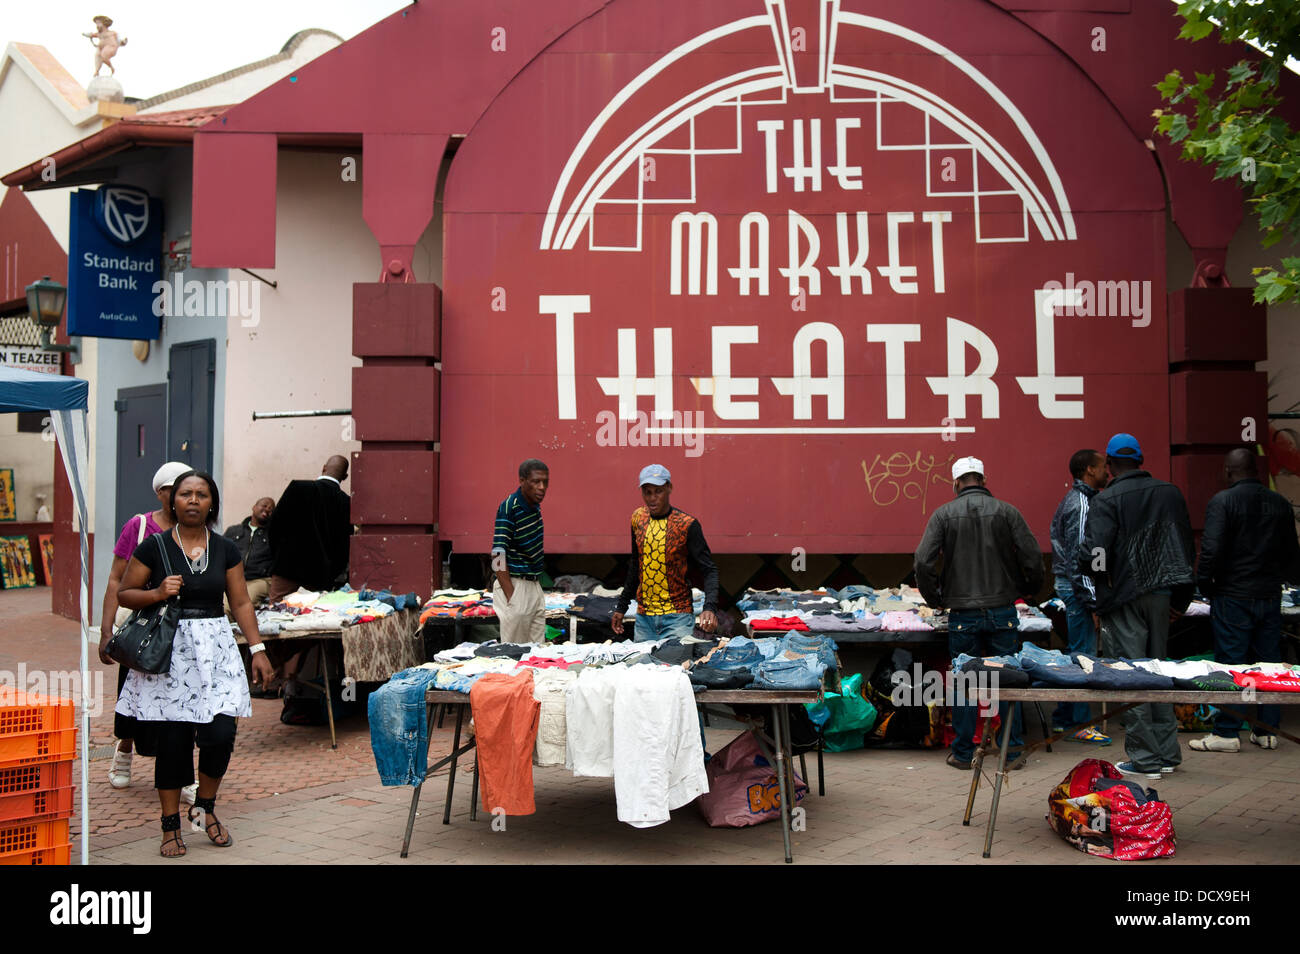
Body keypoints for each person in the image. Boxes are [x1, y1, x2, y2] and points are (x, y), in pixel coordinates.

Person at [116, 470, 274, 858]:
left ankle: (203, 808)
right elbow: (124, 593)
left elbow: (240, 602)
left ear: (212, 504)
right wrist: (156, 592)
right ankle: (170, 826)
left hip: (216, 650)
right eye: (185, 494)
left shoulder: (225, 549)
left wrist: (257, 649)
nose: (192, 500)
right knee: (173, 744)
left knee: (221, 734)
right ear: (172, 501)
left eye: (201, 494)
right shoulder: (153, 547)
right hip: (170, 652)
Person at [914, 456, 1044, 770]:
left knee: (964, 681)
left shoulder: (944, 514)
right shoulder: (1007, 511)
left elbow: (922, 561)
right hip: (1002, 610)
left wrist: (936, 599)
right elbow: (1032, 555)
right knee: (1009, 679)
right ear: (983, 481)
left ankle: (962, 753)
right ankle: (1011, 751)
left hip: (963, 614)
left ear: (956, 483)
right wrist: (1028, 589)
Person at [1079, 433, 1195, 780]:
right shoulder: (1170, 493)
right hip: (1162, 594)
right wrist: (1181, 599)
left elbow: (1094, 553)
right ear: (1140, 459)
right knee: (1159, 673)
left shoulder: (1107, 500)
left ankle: (1145, 760)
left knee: (1130, 675)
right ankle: (1167, 753)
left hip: (1123, 598)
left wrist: (1102, 589)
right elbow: (1186, 547)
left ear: (1111, 465)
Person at [1190, 448, 1300, 753]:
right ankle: (1266, 731)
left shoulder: (1222, 502)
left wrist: (1205, 586)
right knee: (1269, 664)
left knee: (1230, 664)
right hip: (1268, 593)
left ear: (1228, 470)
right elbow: (1292, 551)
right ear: (1255, 470)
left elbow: (1211, 550)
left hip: (1232, 594)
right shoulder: (1278, 503)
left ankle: (1226, 732)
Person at [98, 460, 191, 794]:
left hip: (183, 629)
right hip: (144, 628)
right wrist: (106, 630)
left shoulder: (196, 530)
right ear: (162, 493)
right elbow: (115, 579)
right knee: (133, 695)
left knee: (183, 703)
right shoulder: (138, 527)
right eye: (178, 491)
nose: (186, 498)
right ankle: (124, 751)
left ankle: (184, 776)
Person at [612, 465, 719, 641]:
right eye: (647, 492)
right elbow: (636, 564)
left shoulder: (687, 524)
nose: (653, 498)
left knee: (677, 667)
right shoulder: (638, 518)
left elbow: (709, 569)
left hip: (677, 618)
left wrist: (710, 607)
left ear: (669, 488)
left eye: (658, 491)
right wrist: (621, 607)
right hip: (644, 618)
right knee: (642, 667)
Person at [1047, 449, 1111, 744]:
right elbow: (1080, 558)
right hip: (1077, 587)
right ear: (1088, 470)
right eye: (1102, 467)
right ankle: (1081, 723)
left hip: (1070, 585)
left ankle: (1065, 718)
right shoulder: (1083, 505)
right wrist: (1092, 601)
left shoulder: (1073, 500)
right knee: (1083, 655)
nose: (1107, 471)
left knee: (1075, 653)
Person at [267, 456, 352, 603]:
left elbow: (274, 526)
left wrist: (279, 558)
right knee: (312, 618)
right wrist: (331, 572)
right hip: (320, 577)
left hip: (286, 569)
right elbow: (345, 545)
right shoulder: (346, 503)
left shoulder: (298, 487)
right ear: (345, 476)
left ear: (324, 467)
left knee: (276, 617)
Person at [491, 459, 549, 644]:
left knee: (537, 655)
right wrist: (512, 595)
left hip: (534, 586)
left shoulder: (533, 507)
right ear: (522, 481)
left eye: (545, 482)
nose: (542, 487)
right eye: (536, 481)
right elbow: (497, 554)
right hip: (516, 586)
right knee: (515, 655)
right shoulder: (510, 507)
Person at [223, 497, 275, 606]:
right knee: (222, 605)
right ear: (254, 507)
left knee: (240, 603)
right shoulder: (233, 530)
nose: (267, 510)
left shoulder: (273, 535)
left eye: (271, 509)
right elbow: (220, 554)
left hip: (259, 580)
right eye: (264, 505)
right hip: (233, 579)